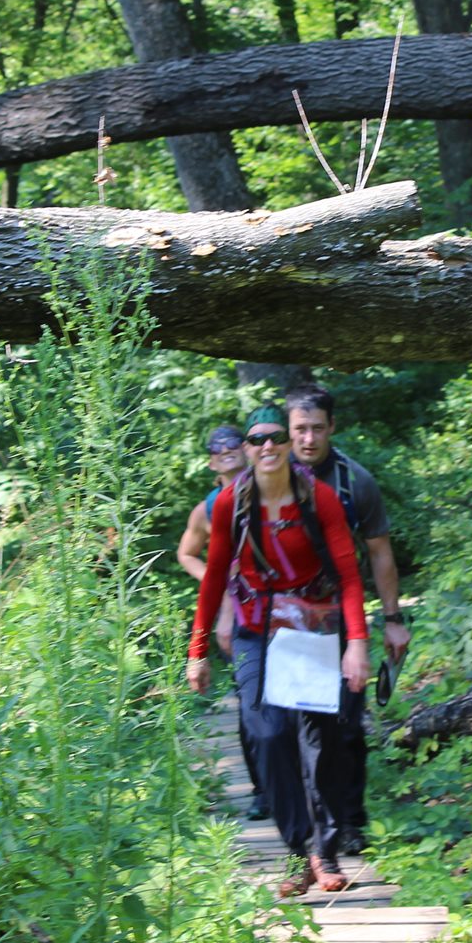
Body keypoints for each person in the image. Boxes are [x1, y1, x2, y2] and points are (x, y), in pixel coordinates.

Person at [187, 407, 370, 896]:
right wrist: (198, 649)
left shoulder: (320, 498)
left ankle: (322, 853)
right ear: (246, 449)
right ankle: (297, 850)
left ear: (289, 446)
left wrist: (357, 644)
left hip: (311, 626)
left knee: (319, 741)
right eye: (257, 440)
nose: (268, 447)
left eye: (276, 438)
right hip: (255, 628)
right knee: (265, 734)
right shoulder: (229, 503)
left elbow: (350, 576)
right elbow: (213, 577)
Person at [283, 383, 406, 855]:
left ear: (332, 427)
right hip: (282, 619)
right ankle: (311, 828)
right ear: (288, 430)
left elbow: (379, 554)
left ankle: (351, 822)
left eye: (317, 428)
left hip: (339, 616)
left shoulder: (356, 483)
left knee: (346, 724)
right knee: (295, 726)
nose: (309, 439)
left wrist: (392, 618)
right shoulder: (267, 477)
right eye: (300, 429)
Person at [176, 424, 267, 820]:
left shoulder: (276, 486)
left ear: (247, 450)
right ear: (211, 459)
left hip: (288, 603)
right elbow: (187, 553)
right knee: (252, 703)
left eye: (234, 443)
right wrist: (223, 581)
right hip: (242, 608)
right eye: (218, 447)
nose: (226, 449)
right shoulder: (210, 507)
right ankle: (264, 790)